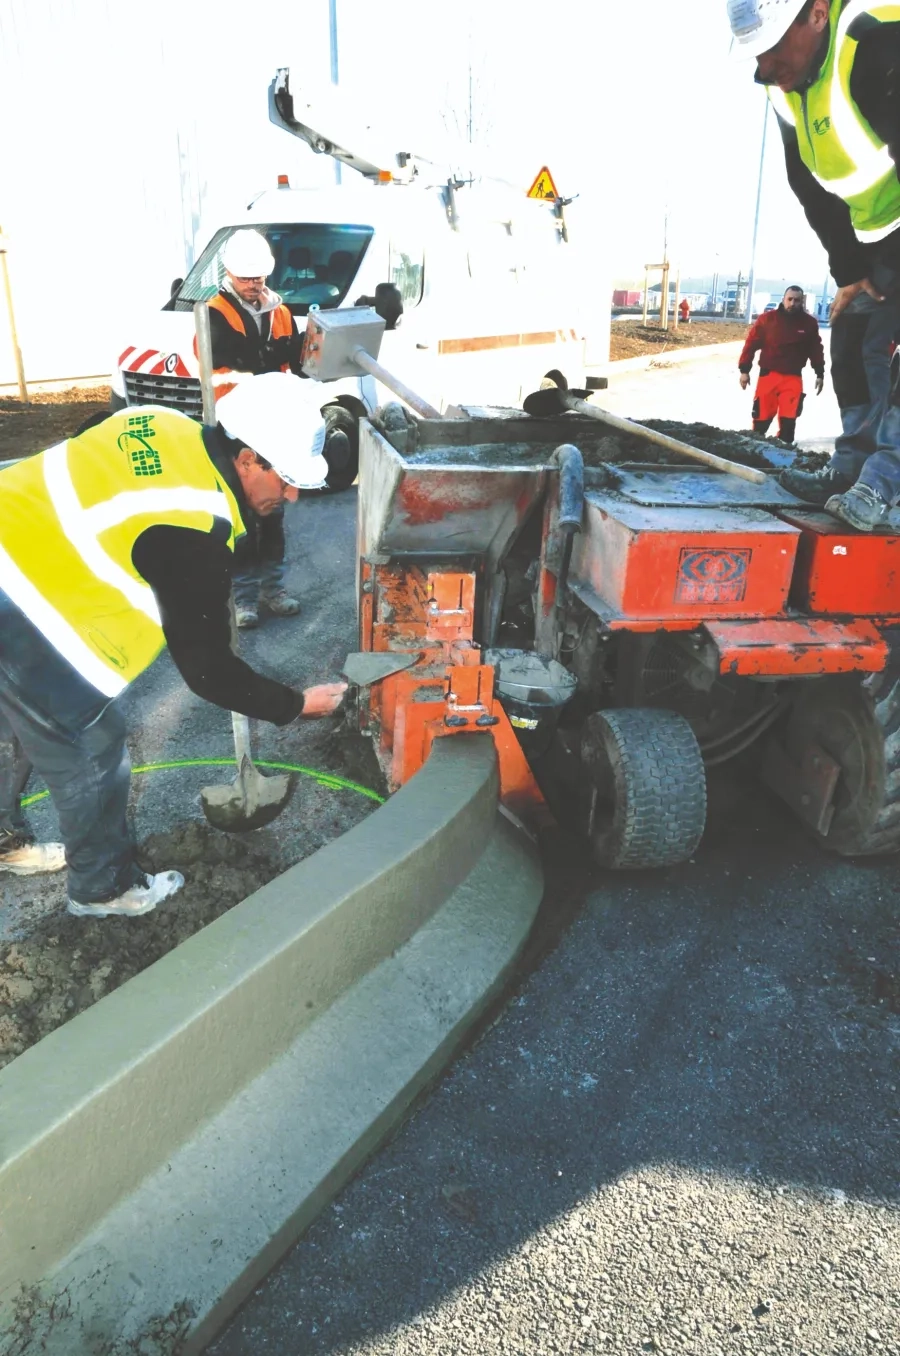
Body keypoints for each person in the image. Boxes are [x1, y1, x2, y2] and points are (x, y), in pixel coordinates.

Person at [0, 373, 347, 918]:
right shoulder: (191, 526)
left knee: (17, 720)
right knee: (89, 744)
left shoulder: (164, 422)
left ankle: (3, 837)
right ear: (249, 459)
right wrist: (296, 706)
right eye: (286, 479)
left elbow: (94, 431)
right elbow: (206, 670)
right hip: (17, 599)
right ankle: (104, 890)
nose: (294, 495)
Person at [728, 0, 900, 530]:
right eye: (755, 56)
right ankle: (851, 470)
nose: (763, 71)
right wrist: (849, 267)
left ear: (818, 14)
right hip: (876, 238)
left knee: (890, 349)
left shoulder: (875, 42)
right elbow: (806, 181)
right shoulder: (788, 87)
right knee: (851, 338)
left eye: (773, 51)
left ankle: (885, 483)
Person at [199, 229, 305, 629]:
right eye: (246, 278)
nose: (253, 285)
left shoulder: (280, 312)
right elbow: (223, 365)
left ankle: (272, 590)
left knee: (273, 516)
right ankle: (244, 598)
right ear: (229, 273)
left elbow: (292, 360)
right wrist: (267, 368)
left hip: (272, 429)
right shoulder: (213, 313)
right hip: (234, 430)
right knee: (243, 519)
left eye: (259, 277)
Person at [738, 285, 825, 444]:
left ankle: (784, 456)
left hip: (792, 379)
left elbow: (816, 349)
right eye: (789, 299)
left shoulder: (809, 324)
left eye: (796, 300)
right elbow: (751, 344)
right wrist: (744, 370)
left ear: (802, 302)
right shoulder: (767, 320)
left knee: (788, 422)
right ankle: (753, 452)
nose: (792, 303)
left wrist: (820, 373)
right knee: (760, 420)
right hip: (768, 376)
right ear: (783, 300)